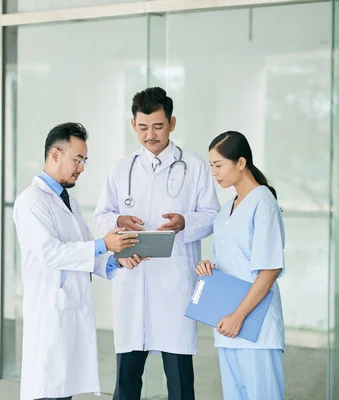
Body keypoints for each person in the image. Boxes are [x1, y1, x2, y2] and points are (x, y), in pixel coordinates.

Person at [93, 87, 220, 400]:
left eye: (158, 126)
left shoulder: (194, 166)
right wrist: (118, 221)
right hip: (132, 279)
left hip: (174, 282)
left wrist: (185, 221)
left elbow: (212, 215)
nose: (150, 135)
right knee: (126, 378)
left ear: (172, 123)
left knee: (179, 379)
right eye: (143, 127)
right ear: (133, 125)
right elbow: (101, 216)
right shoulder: (121, 169)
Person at [13, 122, 147, 400]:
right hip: (50, 315)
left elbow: (88, 251)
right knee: (49, 389)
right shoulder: (31, 201)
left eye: (84, 160)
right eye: (77, 159)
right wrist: (102, 244)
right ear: (54, 155)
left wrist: (117, 260)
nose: (82, 167)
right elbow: (51, 253)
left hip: (69, 313)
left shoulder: (68, 201)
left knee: (64, 392)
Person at [196, 130, 285, 400]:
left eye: (218, 165)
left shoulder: (263, 202)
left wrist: (239, 317)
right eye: (211, 166)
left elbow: (270, 269)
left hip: (253, 323)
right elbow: (233, 259)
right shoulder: (227, 209)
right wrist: (208, 267)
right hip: (226, 323)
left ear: (241, 163)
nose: (214, 172)